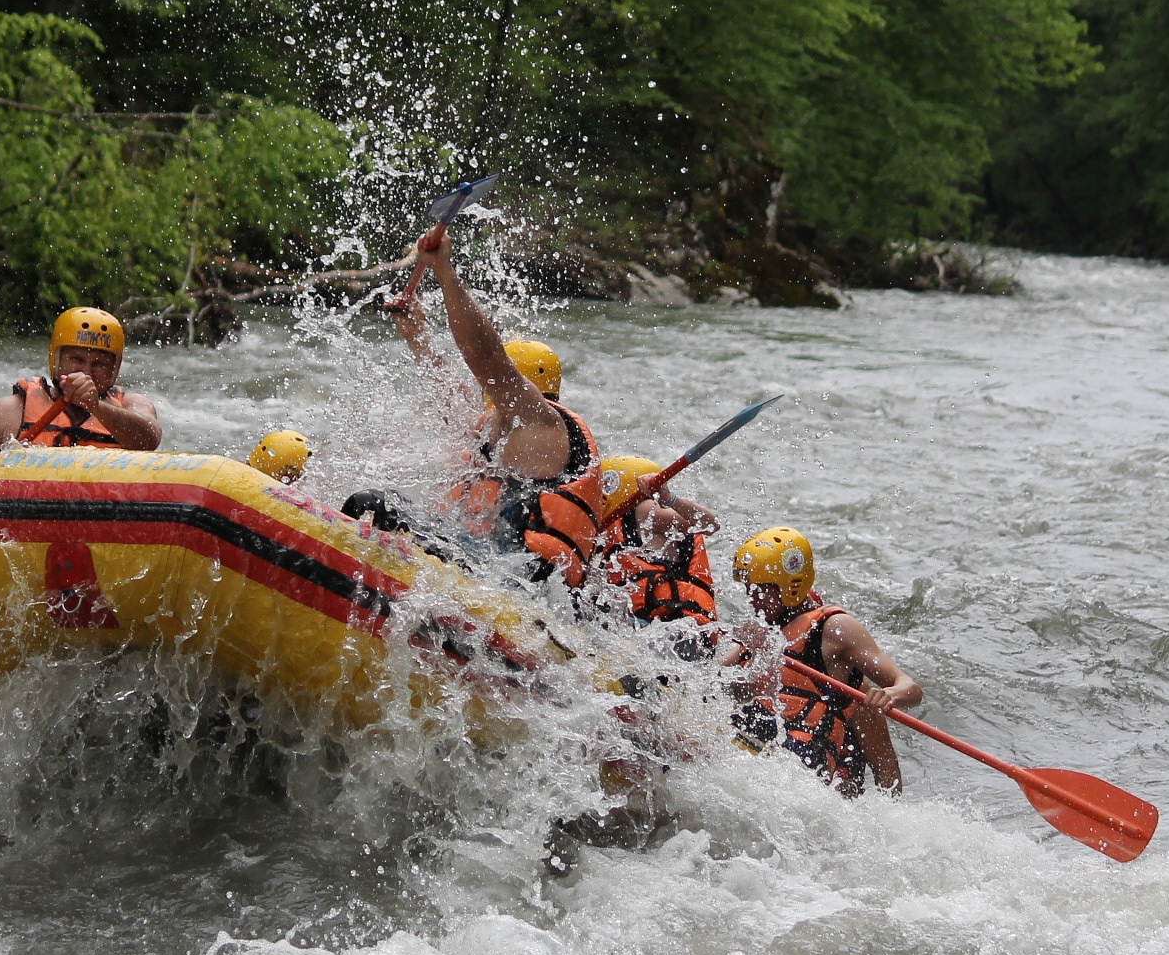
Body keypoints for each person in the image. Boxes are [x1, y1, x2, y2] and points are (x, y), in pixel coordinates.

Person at [384, 229, 604, 588]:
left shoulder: (542, 425)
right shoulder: (501, 429)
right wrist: (418, 336)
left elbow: (485, 357)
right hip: (491, 570)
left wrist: (445, 273)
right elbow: (450, 400)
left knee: (378, 507)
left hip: (523, 587)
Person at [721, 527, 922, 795]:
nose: (751, 598)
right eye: (748, 589)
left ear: (789, 588)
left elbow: (911, 688)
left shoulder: (835, 629)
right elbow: (713, 681)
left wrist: (889, 695)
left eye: (759, 590)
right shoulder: (762, 629)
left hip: (808, 773)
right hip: (759, 751)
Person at [0, 306, 161, 452]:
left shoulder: (133, 405)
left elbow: (149, 441)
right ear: (56, 360)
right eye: (76, 359)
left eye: (100, 364)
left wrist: (96, 406)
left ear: (114, 369)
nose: (86, 372)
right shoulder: (9, 411)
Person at [594, 455, 721, 657]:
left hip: (667, 635)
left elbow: (710, 524)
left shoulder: (643, 511)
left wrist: (669, 498)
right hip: (681, 636)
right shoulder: (613, 531)